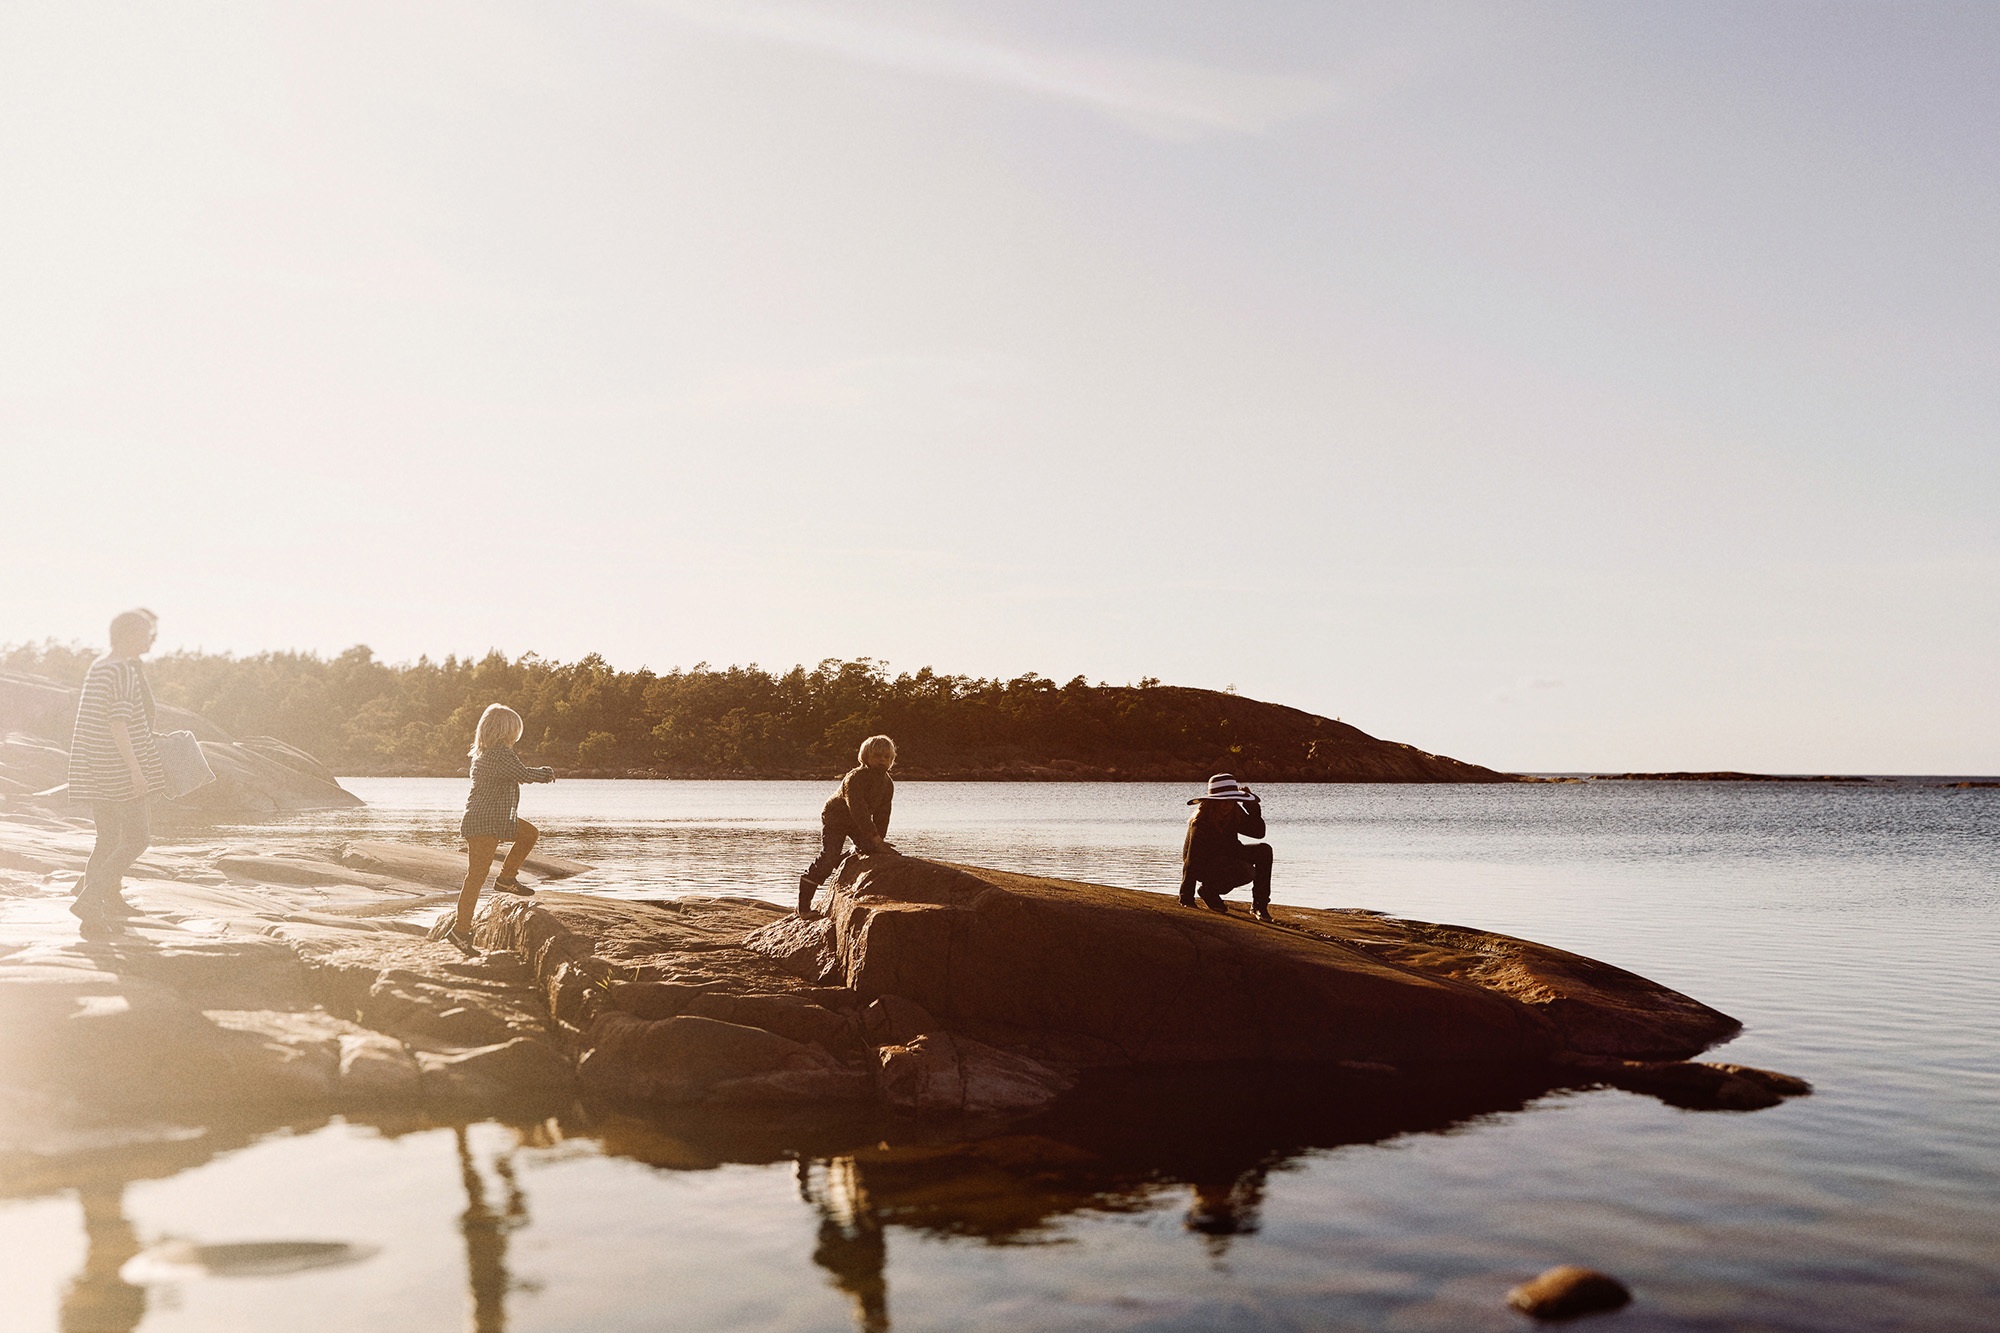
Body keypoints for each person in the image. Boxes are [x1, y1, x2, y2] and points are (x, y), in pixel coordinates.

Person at [66, 609, 166, 921]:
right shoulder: (122, 670)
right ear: (127, 636)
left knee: (107, 839)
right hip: (118, 769)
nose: (151, 639)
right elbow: (118, 723)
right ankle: (90, 898)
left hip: (95, 767)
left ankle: (104, 900)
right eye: (146, 633)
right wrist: (136, 770)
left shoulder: (99, 665)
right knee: (138, 839)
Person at [451, 703, 554, 950]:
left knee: (528, 834)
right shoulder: (500, 754)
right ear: (506, 731)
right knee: (476, 877)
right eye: (516, 730)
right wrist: (545, 773)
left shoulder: (484, 754)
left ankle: (507, 879)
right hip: (484, 823)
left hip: (493, 819)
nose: (517, 735)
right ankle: (460, 930)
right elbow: (522, 774)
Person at [797, 734, 898, 917]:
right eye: (877, 756)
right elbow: (858, 810)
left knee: (872, 850)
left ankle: (842, 858)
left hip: (857, 822)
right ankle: (803, 907)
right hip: (836, 818)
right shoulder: (856, 777)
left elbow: (883, 814)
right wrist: (874, 838)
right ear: (865, 757)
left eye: (886, 757)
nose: (882, 760)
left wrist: (879, 841)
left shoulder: (887, 783)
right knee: (828, 857)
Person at [1177, 773, 1274, 922]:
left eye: (1230, 801)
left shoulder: (1234, 812)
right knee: (1245, 871)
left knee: (1264, 851)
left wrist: (1252, 807)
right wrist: (1186, 898)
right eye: (1221, 801)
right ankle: (1209, 891)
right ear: (1212, 802)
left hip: (1228, 855)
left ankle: (1259, 905)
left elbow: (1258, 832)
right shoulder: (1201, 822)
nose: (1225, 805)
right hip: (1206, 865)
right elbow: (1192, 861)